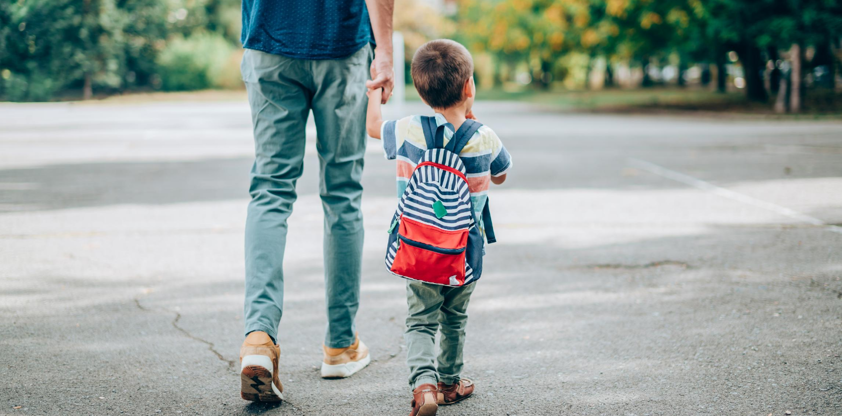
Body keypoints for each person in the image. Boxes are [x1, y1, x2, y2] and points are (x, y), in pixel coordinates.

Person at [237, 0, 395, 403]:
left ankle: (259, 337)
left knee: (270, 189)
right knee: (342, 193)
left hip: (269, 38)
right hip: (339, 45)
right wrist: (386, 54)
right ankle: (340, 346)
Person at [366, 39, 512, 416]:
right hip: (464, 252)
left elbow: (372, 128)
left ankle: (424, 385)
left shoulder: (408, 129)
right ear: (469, 87)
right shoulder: (485, 137)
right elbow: (501, 176)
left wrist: (375, 91)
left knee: (420, 319)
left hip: (417, 249)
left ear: (420, 90)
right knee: (454, 318)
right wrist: (472, 117)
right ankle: (449, 382)